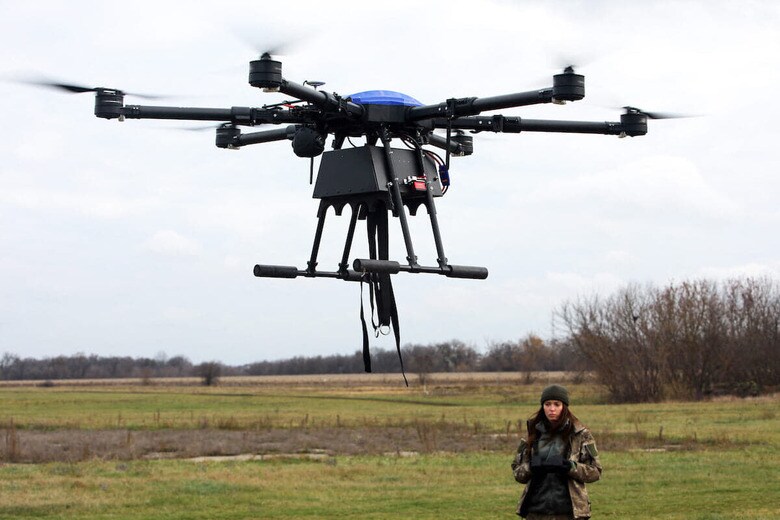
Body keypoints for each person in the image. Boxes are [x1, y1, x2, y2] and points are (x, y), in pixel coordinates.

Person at [511, 384, 602, 519]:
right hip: (535, 511)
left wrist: (569, 466)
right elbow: (517, 473)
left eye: (557, 404)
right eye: (547, 404)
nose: (552, 409)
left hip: (569, 512)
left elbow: (595, 472)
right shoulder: (533, 434)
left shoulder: (581, 435)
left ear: (564, 407)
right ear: (542, 406)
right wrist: (531, 467)